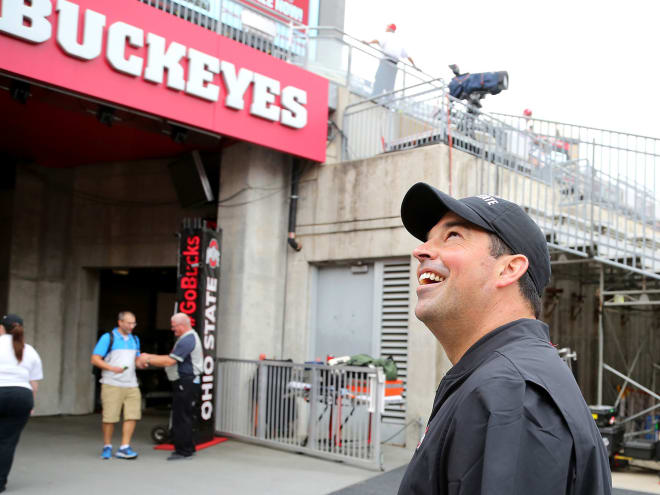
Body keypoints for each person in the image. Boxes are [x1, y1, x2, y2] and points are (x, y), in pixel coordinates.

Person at [397, 182, 611, 494]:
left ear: (509, 269)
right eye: (428, 239)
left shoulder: (510, 394)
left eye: (452, 235)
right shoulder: (500, 380)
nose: (420, 251)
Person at [137, 313, 202, 461]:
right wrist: (150, 356)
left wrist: (148, 358)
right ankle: (188, 447)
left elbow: (169, 361)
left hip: (185, 382)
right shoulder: (187, 338)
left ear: (181, 325)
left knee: (181, 416)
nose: (173, 330)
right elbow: (169, 359)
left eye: (174, 327)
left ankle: (183, 451)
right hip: (187, 382)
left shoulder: (188, 340)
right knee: (185, 415)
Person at [0, 314, 43, 493]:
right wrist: (31, 402)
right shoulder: (30, 350)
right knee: (7, 441)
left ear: (1, 328)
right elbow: (34, 382)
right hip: (21, 396)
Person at [91, 310, 141, 460]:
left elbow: (136, 360)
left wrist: (142, 362)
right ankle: (107, 445)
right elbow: (95, 359)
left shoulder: (135, 339)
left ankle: (125, 447)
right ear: (120, 323)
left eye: (134, 323)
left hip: (131, 383)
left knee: (132, 415)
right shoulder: (108, 338)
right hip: (111, 383)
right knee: (110, 417)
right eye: (129, 323)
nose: (132, 326)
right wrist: (111, 368)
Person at [365, 23, 417, 98]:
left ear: (389, 28)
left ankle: (375, 97)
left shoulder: (387, 35)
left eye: (387, 27)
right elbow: (408, 56)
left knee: (379, 79)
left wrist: (368, 42)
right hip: (394, 65)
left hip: (386, 62)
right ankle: (388, 103)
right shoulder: (398, 40)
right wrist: (414, 65)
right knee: (389, 84)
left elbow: (377, 40)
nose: (386, 28)